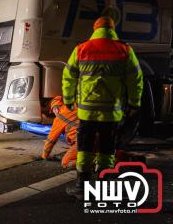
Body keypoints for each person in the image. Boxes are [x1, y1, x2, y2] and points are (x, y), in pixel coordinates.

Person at [62, 16, 143, 198]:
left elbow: (68, 76)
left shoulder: (81, 49)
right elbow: (136, 79)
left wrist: (68, 99)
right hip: (111, 114)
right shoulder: (124, 50)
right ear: (113, 29)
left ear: (95, 29)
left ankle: (82, 185)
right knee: (107, 148)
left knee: (84, 147)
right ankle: (103, 186)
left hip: (87, 112)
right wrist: (134, 103)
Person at [41, 96, 78, 168]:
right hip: (98, 136)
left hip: (83, 142)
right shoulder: (72, 105)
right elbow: (58, 97)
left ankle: (90, 162)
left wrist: (45, 155)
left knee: (66, 163)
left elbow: (51, 140)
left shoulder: (59, 118)